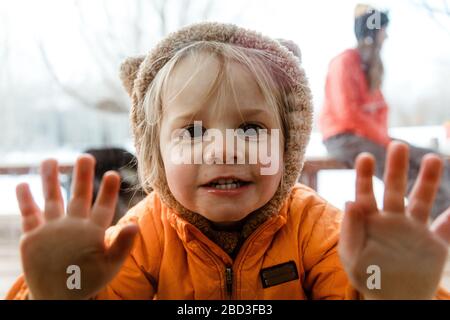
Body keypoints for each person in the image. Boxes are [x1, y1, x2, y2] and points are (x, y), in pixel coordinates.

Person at [6, 22, 450, 300]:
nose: (224, 149)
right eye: (193, 131)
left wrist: (394, 293)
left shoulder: (315, 230)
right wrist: (56, 292)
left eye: (251, 130)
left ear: (289, 143)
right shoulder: (143, 237)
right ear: (155, 153)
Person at [319, 4, 450, 220]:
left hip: (370, 136)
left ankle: (443, 212)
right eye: (383, 30)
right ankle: (439, 227)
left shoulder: (370, 65)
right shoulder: (344, 62)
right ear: (372, 32)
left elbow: (381, 109)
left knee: (431, 159)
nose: (386, 36)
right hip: (343, 138)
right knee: (400, 167)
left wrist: (384, 138)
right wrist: (384, 140)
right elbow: (348, 113)